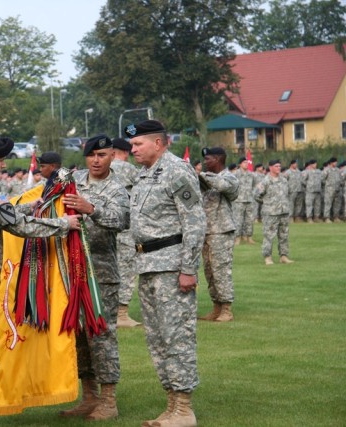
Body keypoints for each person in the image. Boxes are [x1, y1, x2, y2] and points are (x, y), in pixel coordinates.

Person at [127, 120, 205, 427]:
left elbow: (195, 222)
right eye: (132, 146)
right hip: (147, 265)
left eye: (138, 144)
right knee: (158, 339)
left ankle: (184, 409)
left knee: (177, 337)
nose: (132, 150)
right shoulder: (145, 174)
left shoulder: (177, 171)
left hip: (172, 267)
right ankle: (172, 405)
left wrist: (188, 269)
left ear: (159, 143)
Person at [59, 135, 130, 421]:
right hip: (71, 273)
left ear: (112, 155)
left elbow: (123, 221)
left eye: (102, 155)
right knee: (77, 336)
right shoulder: (73, 181)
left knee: (101, 335)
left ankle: (109, 400)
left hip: (101, 274)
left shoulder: (117, 187)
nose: (96, 160)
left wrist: (92, 209)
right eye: (91, 156)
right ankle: (89, 396)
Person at [0, 133, 79, 290]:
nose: (4, 166)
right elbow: (18, 224)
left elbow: (2, 212)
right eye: (1, 160)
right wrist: (64, 223)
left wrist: (29, 207)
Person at [198, 147, 239, 322]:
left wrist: (199, 175)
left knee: (220, 270)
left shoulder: (229, 178)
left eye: (208, 159)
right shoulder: (206, 180)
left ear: (218, 159)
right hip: (206, 231)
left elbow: (222, 185)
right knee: (209, 271)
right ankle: (216, 306)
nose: (205, 162)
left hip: (221, 231)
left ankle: (227, 308)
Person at [109, 137, 141, 328]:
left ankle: (107, 312)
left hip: (104, 227)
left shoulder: (98, 170)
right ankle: (121, 314)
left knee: (107, 269)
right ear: (126, 153)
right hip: (125, 229)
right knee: (126, 269)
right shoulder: (128, 169)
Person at [254, 160, 294, 265]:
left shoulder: (284, 180)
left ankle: (283, 256)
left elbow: (287, 193)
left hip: (283, 212)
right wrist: (267, 203)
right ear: (270, 167)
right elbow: (256, 195)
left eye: (279, 166)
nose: (278, 168)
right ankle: (267, 257)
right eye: (276, 166)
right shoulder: (265, 181)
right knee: (269, 235)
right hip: (271, 213)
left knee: (284, 235)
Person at [233, 157, 258, 244]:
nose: (246, 164)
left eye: (247, 162)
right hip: (239, 200)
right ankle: (238, 238)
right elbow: (232, 186)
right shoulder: (235, 174)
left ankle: (249, 237)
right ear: (240, 164)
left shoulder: (251, 174)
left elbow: (255, 185)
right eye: (244, 162)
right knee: (238, 220)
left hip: (249, 200)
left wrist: (253, 193)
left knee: (249, 220)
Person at [322, 157, 342, 223]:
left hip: (337, 189)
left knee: (337, 204)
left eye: (336, 162)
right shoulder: (327, 170)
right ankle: (327, 218)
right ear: (331, 162)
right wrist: (328, 185)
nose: (336, 163)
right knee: (328, 203)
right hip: (329, 190)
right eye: (334, 162)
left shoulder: (338, 170)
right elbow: (322, 179)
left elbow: (340, 178)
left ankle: (336, 217)